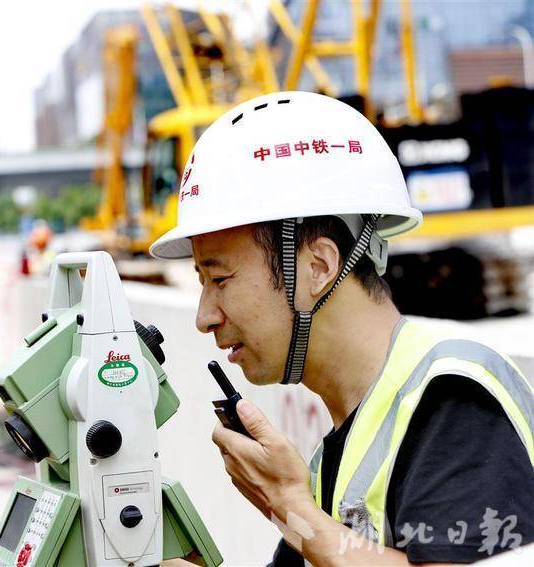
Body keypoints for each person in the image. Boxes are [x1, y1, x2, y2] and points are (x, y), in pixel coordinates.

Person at [149, 91, 534, 565]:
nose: (204, 316)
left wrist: (292, 508)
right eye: (202, 283)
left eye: (221, 279)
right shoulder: (338, 453)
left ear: (318, 266)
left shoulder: (452, 399)